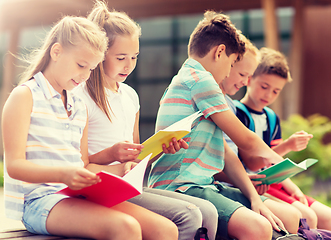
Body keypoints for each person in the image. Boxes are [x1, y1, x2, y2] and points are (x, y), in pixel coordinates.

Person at [2, 16, 178, 240]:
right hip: (40, 201)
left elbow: (82, 163)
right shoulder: (25, 96)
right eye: (81, 65)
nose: (85, 76)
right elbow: (14, 166)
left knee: (166, 229)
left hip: (79, 196)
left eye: (92, 68)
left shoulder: (78, 105)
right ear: (56, 52)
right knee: (126, 227)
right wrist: (64, 174)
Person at [148, 11, 301, 240]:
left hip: (206, 184)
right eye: (231, 64)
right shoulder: (199, 79)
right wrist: (282, 163)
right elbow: (245, 139)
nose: (229, 72)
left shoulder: (196, 80)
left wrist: (254, 198)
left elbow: (228, 153)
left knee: (288, 217)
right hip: (181, 185)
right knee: (258, 227)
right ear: (220, 52)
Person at [73, 1, 218, 240]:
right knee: (189, 215)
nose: (129, 65)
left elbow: (137, 156)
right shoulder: (82, 97)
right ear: (99, 54)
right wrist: (120, 164)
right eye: (121, 57)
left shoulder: (130, 96)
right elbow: (82, 166)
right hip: (99, 188)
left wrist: (162, 148)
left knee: (209, 213)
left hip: (130, 184)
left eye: (134, 56)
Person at [235, 47, 331, 230]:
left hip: (275, 182)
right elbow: (254, 163)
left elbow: (274, 166)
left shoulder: (272, 118)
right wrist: (288, 146)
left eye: (276, 91)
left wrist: (294, 188)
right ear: (249, 78)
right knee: (308, 217)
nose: (268, 95)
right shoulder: (238, 114)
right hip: (253, 184)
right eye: (264, 87)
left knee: (328, 218)